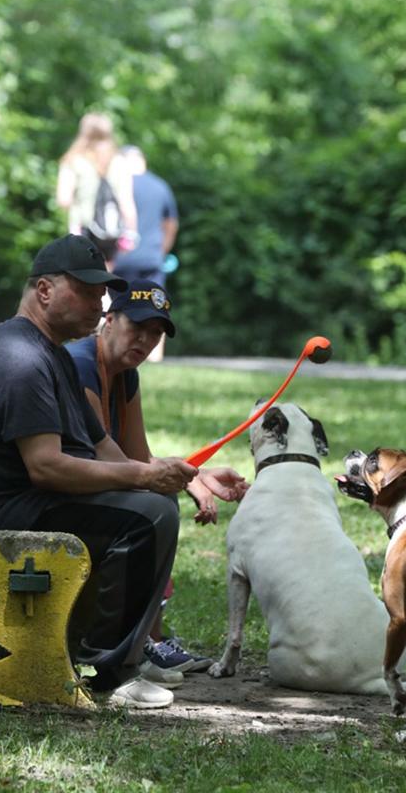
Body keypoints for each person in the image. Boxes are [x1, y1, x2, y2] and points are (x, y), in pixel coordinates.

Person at [0, 234, 197, 709]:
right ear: (44, 290)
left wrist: (169, 476)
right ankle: (111, 672)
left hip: (27, 499)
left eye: (103, 293)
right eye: (88, 291)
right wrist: (143, 480)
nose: (100, 305)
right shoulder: (16, 357)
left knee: (154, 505)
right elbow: (46, 468)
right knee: (147, 516)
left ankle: (106, 654)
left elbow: (98, 444)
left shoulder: (51, 352)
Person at [66, 279, 249, 687]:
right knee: (152, 507)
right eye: (138, 328)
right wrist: (180, 480)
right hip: (51, 496)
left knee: (158, 500)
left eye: (155, 334)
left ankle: (148, 640)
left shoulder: (125, 372)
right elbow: (110, 461)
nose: (145, 341)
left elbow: (138, 457)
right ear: (109, 320)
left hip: (89, 489)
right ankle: (116, 658)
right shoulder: (80, 364)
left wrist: (195, 474)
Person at [114, 146, 179, 360]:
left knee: (117, 309)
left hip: (119, 257)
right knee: (156, 308)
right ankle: (154, 357)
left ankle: (115, 350)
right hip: (152, 258)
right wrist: (162, 250)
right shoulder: (161, 186)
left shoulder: (117, 184)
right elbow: (171, 223)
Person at [55, 113, 138, 266]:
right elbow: (127, 203)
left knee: (83, 281)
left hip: (82, 229)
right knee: (105, 280)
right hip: (111, 230)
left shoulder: (73, 161)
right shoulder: (119, 162)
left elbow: (63, 199)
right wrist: (131, 234)